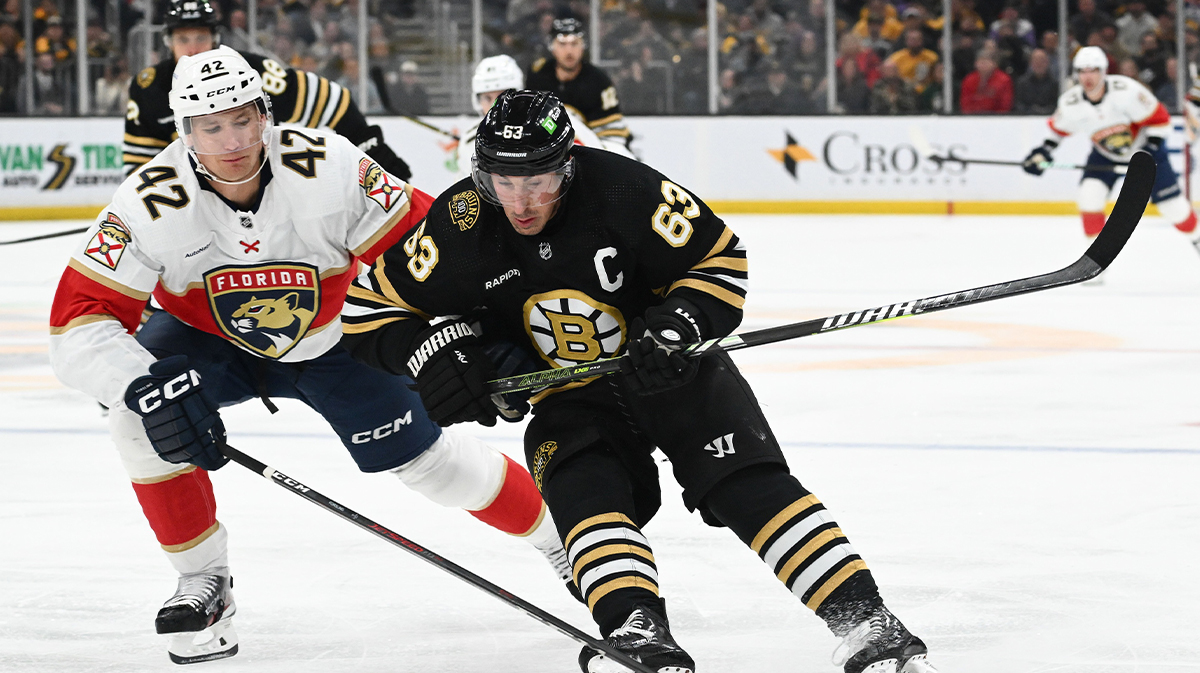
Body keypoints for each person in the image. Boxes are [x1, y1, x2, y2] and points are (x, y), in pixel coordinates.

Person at [340, 89, 938, 673]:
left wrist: (680, 325)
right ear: (483, 173)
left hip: (671, 371)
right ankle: (637, 633)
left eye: (539, 183)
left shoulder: (626, 188)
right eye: (506, 183)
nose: (521, 203)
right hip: (564, 392)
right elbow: (367, 313)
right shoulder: (461, 223)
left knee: (744, 485)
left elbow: (721, 258)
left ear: (567, 168)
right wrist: (436, 353)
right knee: (585, 496)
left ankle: (868, 621)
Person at [48, 49, 570, 665]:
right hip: (205, 342)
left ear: (265, 114)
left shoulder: (330, 166)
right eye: (211, 126)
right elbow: (76, 323)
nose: (231, 140)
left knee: (432, 467)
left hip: (334, 337)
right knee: (140, 416)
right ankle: (203, 581)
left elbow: (434, 245)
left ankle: (562, 546)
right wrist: (142, 384)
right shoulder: (148, 201)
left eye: (242, 119)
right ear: (183, 132)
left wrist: (476, 331)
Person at [123, 0, 411, 180]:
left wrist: (366, 143)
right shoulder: (149, 89)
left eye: (202, 36)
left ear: (216, 38)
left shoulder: (250, 72)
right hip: (199, 206)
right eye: (183, 38)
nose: (193, 47)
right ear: (168, 42)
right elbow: (140, 165)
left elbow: (329, 99)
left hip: (264, 195)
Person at [1023, 46, 1200, 260]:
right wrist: (1042, 152)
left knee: (1174, 208)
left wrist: (1150, 150)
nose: (1088, 77)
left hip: (1145, 154)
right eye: (1082, 71)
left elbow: (1160, 120)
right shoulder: (1071, 103)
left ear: (1104, 71)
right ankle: (1095, 262)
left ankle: (1197, 237)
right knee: (1089, 196)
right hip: (1105, 156)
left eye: (1093, 70)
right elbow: (1057, 132)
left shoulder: (1127, 91)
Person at [455, 54, 633, 179]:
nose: (496, 104)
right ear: (477, 101)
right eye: (487, 97)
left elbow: (596, 159)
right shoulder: (470, 142)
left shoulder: (555, 120)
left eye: (503, 95)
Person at [526, 17, 633, 154]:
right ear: (552, 46)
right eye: (562, 44)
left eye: (574, 43)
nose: (569, 51)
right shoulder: (538, 76)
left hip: (590, 152)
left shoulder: (598, 81)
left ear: (583, 46)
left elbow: (612, 137)